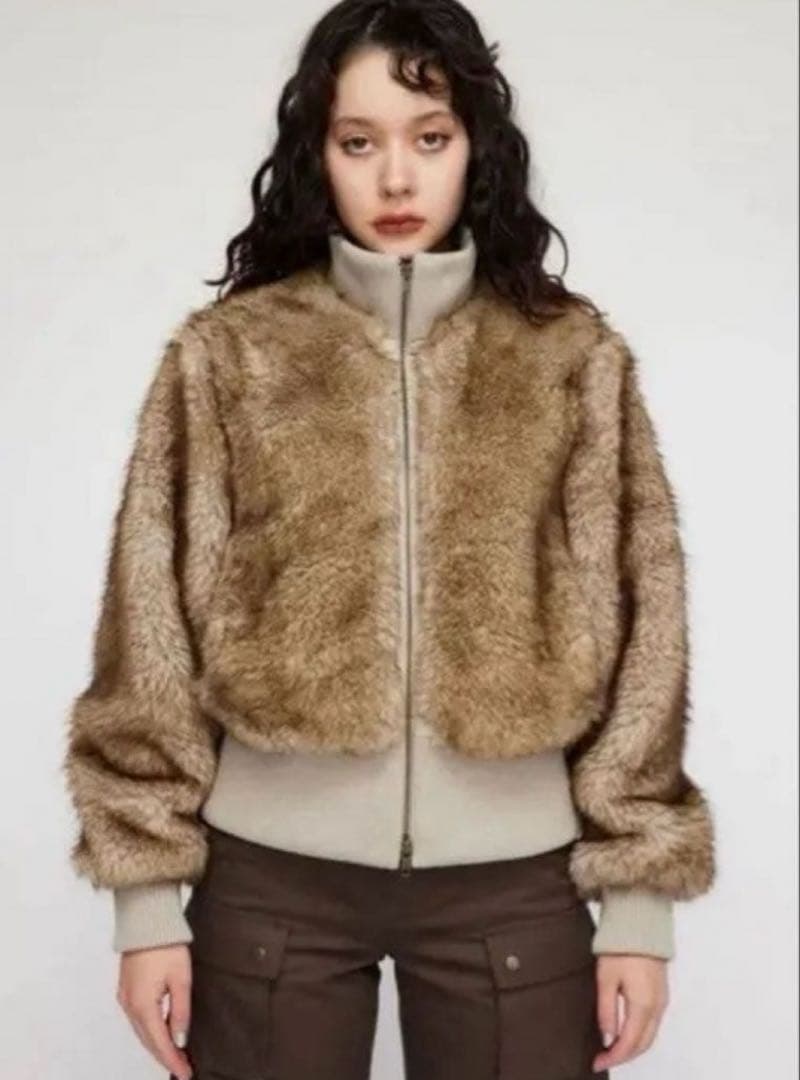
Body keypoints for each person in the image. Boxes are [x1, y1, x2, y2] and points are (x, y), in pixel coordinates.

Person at [61, 2, 717, 1078]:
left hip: (513, 889)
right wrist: (145, 907)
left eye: (430, 137)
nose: (397, 178)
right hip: (271, 886)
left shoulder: (569, 359)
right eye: (358, 142)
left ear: (477, 148)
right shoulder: (229, 359)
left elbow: (645, 631)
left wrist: (639, 910)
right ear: (316, 156)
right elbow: (150, 631)